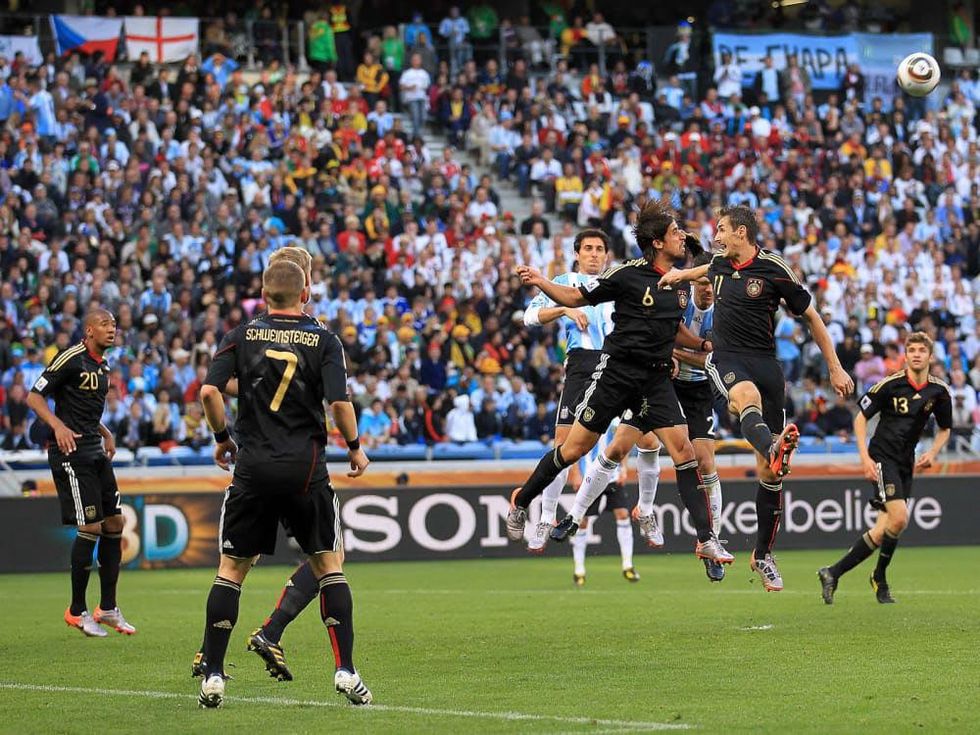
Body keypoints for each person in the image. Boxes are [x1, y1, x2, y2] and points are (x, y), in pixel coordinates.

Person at [510, 200, 732, 568]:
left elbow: (673, 327)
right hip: (615, 374)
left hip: (656, 379)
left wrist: (700, 344)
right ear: (658, 242)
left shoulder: (678, 284)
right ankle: (522, 501)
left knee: (684, 453)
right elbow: (574, 296)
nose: (682, 237)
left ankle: (707, 538)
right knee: (573, 449)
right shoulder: (627, 274)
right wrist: (540, 281)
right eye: (675, 232)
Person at [195, 259, 372, 708]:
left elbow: (209, 392)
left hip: (252, 467)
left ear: (263, 292)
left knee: (232, 569)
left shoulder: (240, 335)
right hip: (305, 468)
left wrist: (222, 438)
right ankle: (346, 673)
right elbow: (339, 402)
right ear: (305, 292)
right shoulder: (324, 338)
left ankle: (213, 675)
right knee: (329, 566)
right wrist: (354, 446)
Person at [661, 205, 854, 591]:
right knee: (744, 398)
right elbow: (705, 269)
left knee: (770, 476)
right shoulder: (718, 264)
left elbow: (812, 317)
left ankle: (763, 554)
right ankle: (774, 447)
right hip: (728, 358)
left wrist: (835, 366)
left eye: (721, 230)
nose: (715, 236)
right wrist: (680, 274)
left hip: (768, 367)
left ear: (742, 233)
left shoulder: (774, 269)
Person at [26, 310, 136, 637]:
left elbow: (84, 408)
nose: (112, 329)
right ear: (89, 330)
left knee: (115, 522)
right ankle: (76, 610)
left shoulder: (102, 366)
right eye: (105, 324)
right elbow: (34, 397)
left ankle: (108, 608)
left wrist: (106, 432)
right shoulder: (70, 358)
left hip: (94, 448)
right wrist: (58, 427)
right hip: (71, 451)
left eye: (114, 325)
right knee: (91, 525)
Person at [819, 333, 951, 605]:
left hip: (907, 461)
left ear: (930, 356)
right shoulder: (890, 385)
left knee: (885, 528)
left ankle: (834, 572)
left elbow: (945, 429)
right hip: (882, 457)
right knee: (900, 518)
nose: (916, 354)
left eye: (921, 350)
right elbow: (860, 419)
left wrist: (933, 452)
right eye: (911, 350)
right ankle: (878, 575)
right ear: (905, 355)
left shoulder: (938, 391)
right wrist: (865, 458)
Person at [522, 228, 616, 553]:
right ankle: (547, 516)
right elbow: (529, 316)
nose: (593, 253)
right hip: (581, 365)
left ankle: (642, 508)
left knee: (634, 443)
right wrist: (563, 309)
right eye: (587, 248)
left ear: (606, 255)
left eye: (599, 248)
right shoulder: (562, 281)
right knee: (563, 445)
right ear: (577, 253)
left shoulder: (617, 282)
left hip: (618, 365)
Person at [569, 418, 638, 586]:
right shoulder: (586, 415)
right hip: (589, 476)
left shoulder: (616, 418)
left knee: (622, 514)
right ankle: (579, 570)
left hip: (612, 475)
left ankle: (628, 565)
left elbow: (625, 441)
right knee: (582, 521)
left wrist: (624, 468)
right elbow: (573, 445)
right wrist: (576, 473)